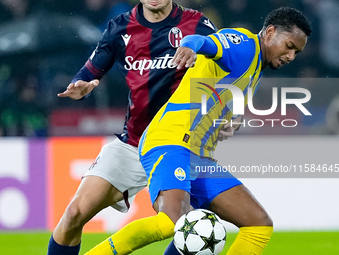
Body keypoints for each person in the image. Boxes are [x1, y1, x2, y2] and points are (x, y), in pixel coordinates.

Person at [85, 6, 312, 255]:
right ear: (270, 32)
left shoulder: (256, 67)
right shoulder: (244, 45)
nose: (291, 56)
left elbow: (217, 100)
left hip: (199, 155)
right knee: (171, 222)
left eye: (297, 52)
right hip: (170, 140)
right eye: (289, 46)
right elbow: (205, 41)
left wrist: (229, 120)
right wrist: (190, 47)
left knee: (258, 224)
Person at [46, 1, 217, 254]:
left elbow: (227, 68)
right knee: (74, 213)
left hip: (177, 145)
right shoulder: (119, 27)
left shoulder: (197, 25)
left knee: (182, 224)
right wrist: (80, 85)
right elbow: (90, 70)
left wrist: (225, 111)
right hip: (132, 144)